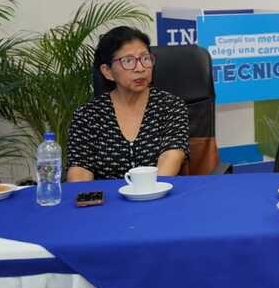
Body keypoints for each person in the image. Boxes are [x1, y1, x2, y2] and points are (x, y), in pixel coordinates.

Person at [66, 26, 189, 181]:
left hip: (157, 196)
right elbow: (80, 170)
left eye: (145, 58)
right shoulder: (88, 115)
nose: (140, 68)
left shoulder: (170, 106)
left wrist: (150, 194)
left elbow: (171, 158)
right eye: (128, 61)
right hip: (108, 202)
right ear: (107, 71)